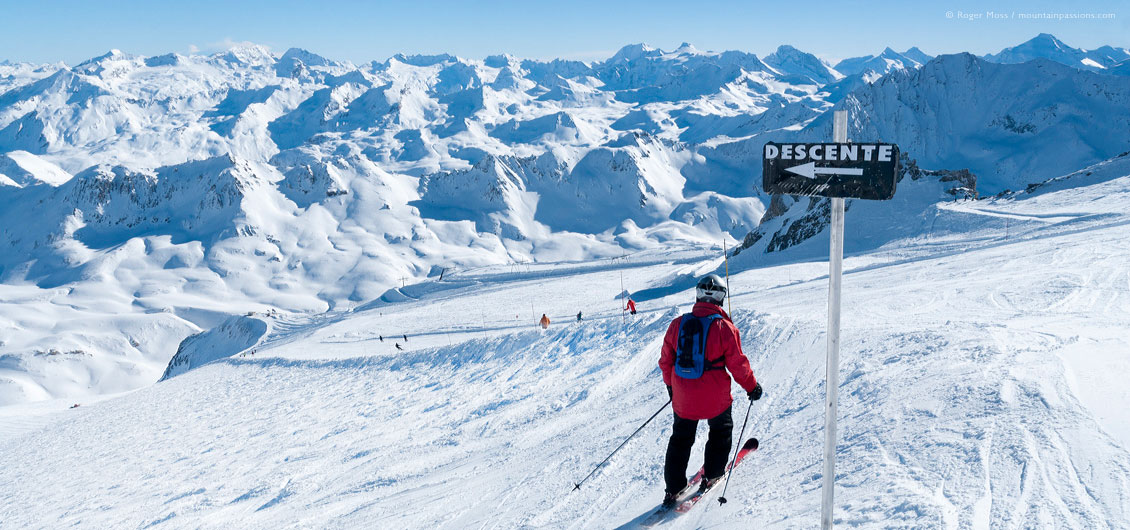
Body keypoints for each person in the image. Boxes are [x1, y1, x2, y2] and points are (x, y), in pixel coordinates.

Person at [658, 274, 762, 508]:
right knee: (721, 431)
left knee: (680, 439)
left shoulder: (677, 324)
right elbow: (738, 365)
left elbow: (666, 361)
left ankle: (674, 487)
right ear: (721, 298)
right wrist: (752, 387)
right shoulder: (725, 327)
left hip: (683, 396)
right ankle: (713, 473)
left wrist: (670, 387)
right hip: (715, 397)